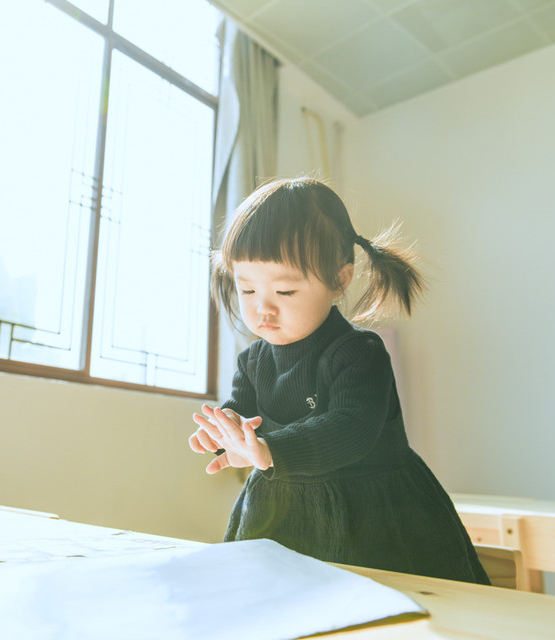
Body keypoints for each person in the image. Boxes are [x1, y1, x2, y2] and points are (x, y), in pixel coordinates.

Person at [189, 176, 489, 584]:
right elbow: (243, 413)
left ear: (340, 279)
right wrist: (226, 432)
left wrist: (269, 449)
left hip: (373, 513)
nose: (262, 309)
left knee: (387, 612)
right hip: (283, 506)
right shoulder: (253, 361)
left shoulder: (358, 353)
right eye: (246, 290)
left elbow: (351, 427)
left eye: (285, 291)